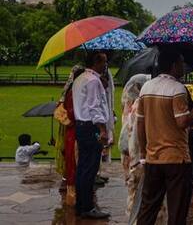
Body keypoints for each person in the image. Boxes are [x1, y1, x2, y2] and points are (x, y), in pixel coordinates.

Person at [136, 47, 193, 225]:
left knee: (148, 209)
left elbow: (140, 123)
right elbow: (182, 122)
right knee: (177, 210)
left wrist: (143, 154)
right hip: (176, 159)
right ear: (173, 65)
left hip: (153, 158)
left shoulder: (146, 87)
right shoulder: (177, 89)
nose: (183, 67)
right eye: (181, 63)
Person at [119, 74, 167, 225]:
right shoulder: (142, 105)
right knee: (149, 199)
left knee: (135, 196)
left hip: (134, 160)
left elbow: (124, 143)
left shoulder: (131, 108)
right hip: (144, 159)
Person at [72, 51, 111, 219]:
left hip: (81, 126)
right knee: (90, 168)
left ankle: (81, 205)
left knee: (83, 167)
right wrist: (102, 129)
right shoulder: (93, 81)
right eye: (104, 62)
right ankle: (87, 207)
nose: (105, 66)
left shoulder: (80, 79)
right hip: (91, 127)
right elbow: (94, 107)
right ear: (96, 62)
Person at [55, 64, 84, 206]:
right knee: (75, 161)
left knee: (72, 160)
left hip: (71, 131)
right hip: (75, 130)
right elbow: (72, 113)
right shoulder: (74, 92)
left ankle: (73, 195)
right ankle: (75, 198)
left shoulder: (70, 90)